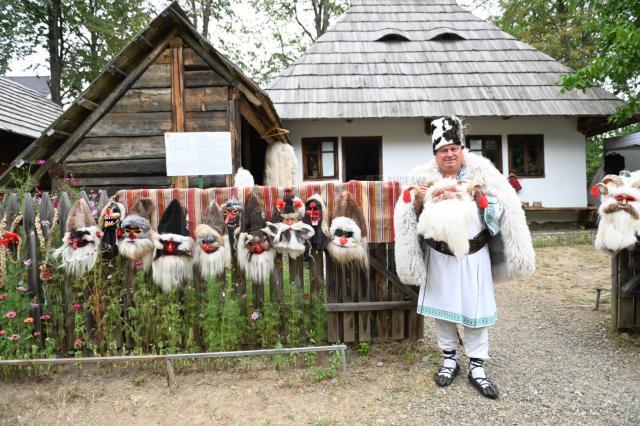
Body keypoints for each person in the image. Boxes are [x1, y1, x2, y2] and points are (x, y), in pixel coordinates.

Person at [394, 116, 536, 399]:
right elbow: (411, 217)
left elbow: (498, 214)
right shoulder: (420, 179)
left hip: (474, 255)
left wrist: (482, 198)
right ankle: (449, 361)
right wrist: (419, 200)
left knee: (476, 311)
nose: (449, 154)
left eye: (453, 148)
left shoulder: (482, 175)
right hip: (440, 256)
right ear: (436, 154)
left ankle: (477, 366)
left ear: (462, 149)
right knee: (444, 311)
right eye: (443, 150)